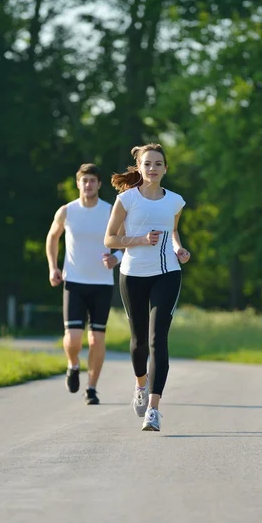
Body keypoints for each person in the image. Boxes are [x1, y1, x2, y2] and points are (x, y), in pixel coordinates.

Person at [104, 143, 190, 431]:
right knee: (139, 341)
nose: (152, 168)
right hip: (133, 275)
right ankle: (140, 385)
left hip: (167, 273)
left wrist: (179, 249)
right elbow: (110, 239)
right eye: (147, 164)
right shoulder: (126, 200)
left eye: (158, 163)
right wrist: (140, 240)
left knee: (157, 340)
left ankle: (153, 409)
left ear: (165, 168)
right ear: (139, 168)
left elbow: (174, 230)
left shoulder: (175, 201)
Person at [46, 163, 123, 405]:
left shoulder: (111, 211)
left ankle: (91, 388)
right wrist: (53, 267)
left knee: (96, 339)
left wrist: (116, 258)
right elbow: (52, 237)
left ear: (99, 184)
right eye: (84, 180)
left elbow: (123, 241)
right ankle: (73, 364)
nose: (88, 184)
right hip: (74, 282)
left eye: (92, 180)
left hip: (102, 284)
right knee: (74, 337)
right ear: (77, 183)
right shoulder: (67, 211)